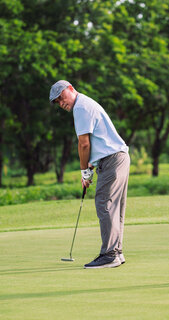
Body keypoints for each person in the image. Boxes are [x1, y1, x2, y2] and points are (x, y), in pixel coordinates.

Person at [49, 80, 130, 269]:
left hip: (112, 160)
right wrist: (89, 171)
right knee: (115, 207)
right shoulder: (85, 104)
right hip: (117, 158)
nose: (62, 103)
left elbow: (84, 144)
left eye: (62, 98)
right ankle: (116, 252)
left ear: (71, 89)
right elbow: (97, 143)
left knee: (104, 203)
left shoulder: (80, 107)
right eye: (58, 102)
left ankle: (109, 254)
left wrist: (84, 171)